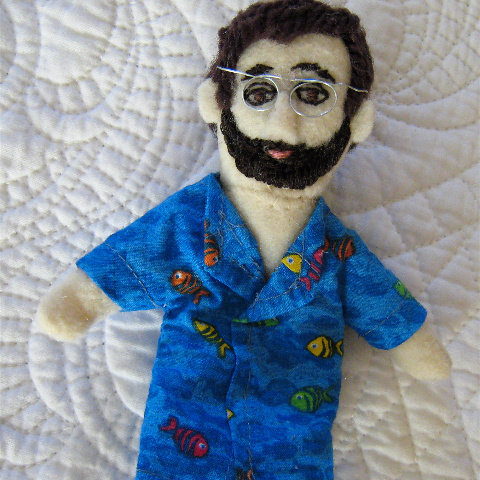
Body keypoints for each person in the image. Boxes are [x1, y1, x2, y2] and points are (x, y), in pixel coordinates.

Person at [37, 1, 451, 479]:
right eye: (258, 91)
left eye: (313, 94)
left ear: (353, 123)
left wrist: (414, 342)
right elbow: (130, 261)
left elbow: (383, 305)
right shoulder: (190, 222)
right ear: (219, 105)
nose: (284, 122)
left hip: (291, 454)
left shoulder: (339, 253)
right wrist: (80, 300)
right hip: (184, 445)